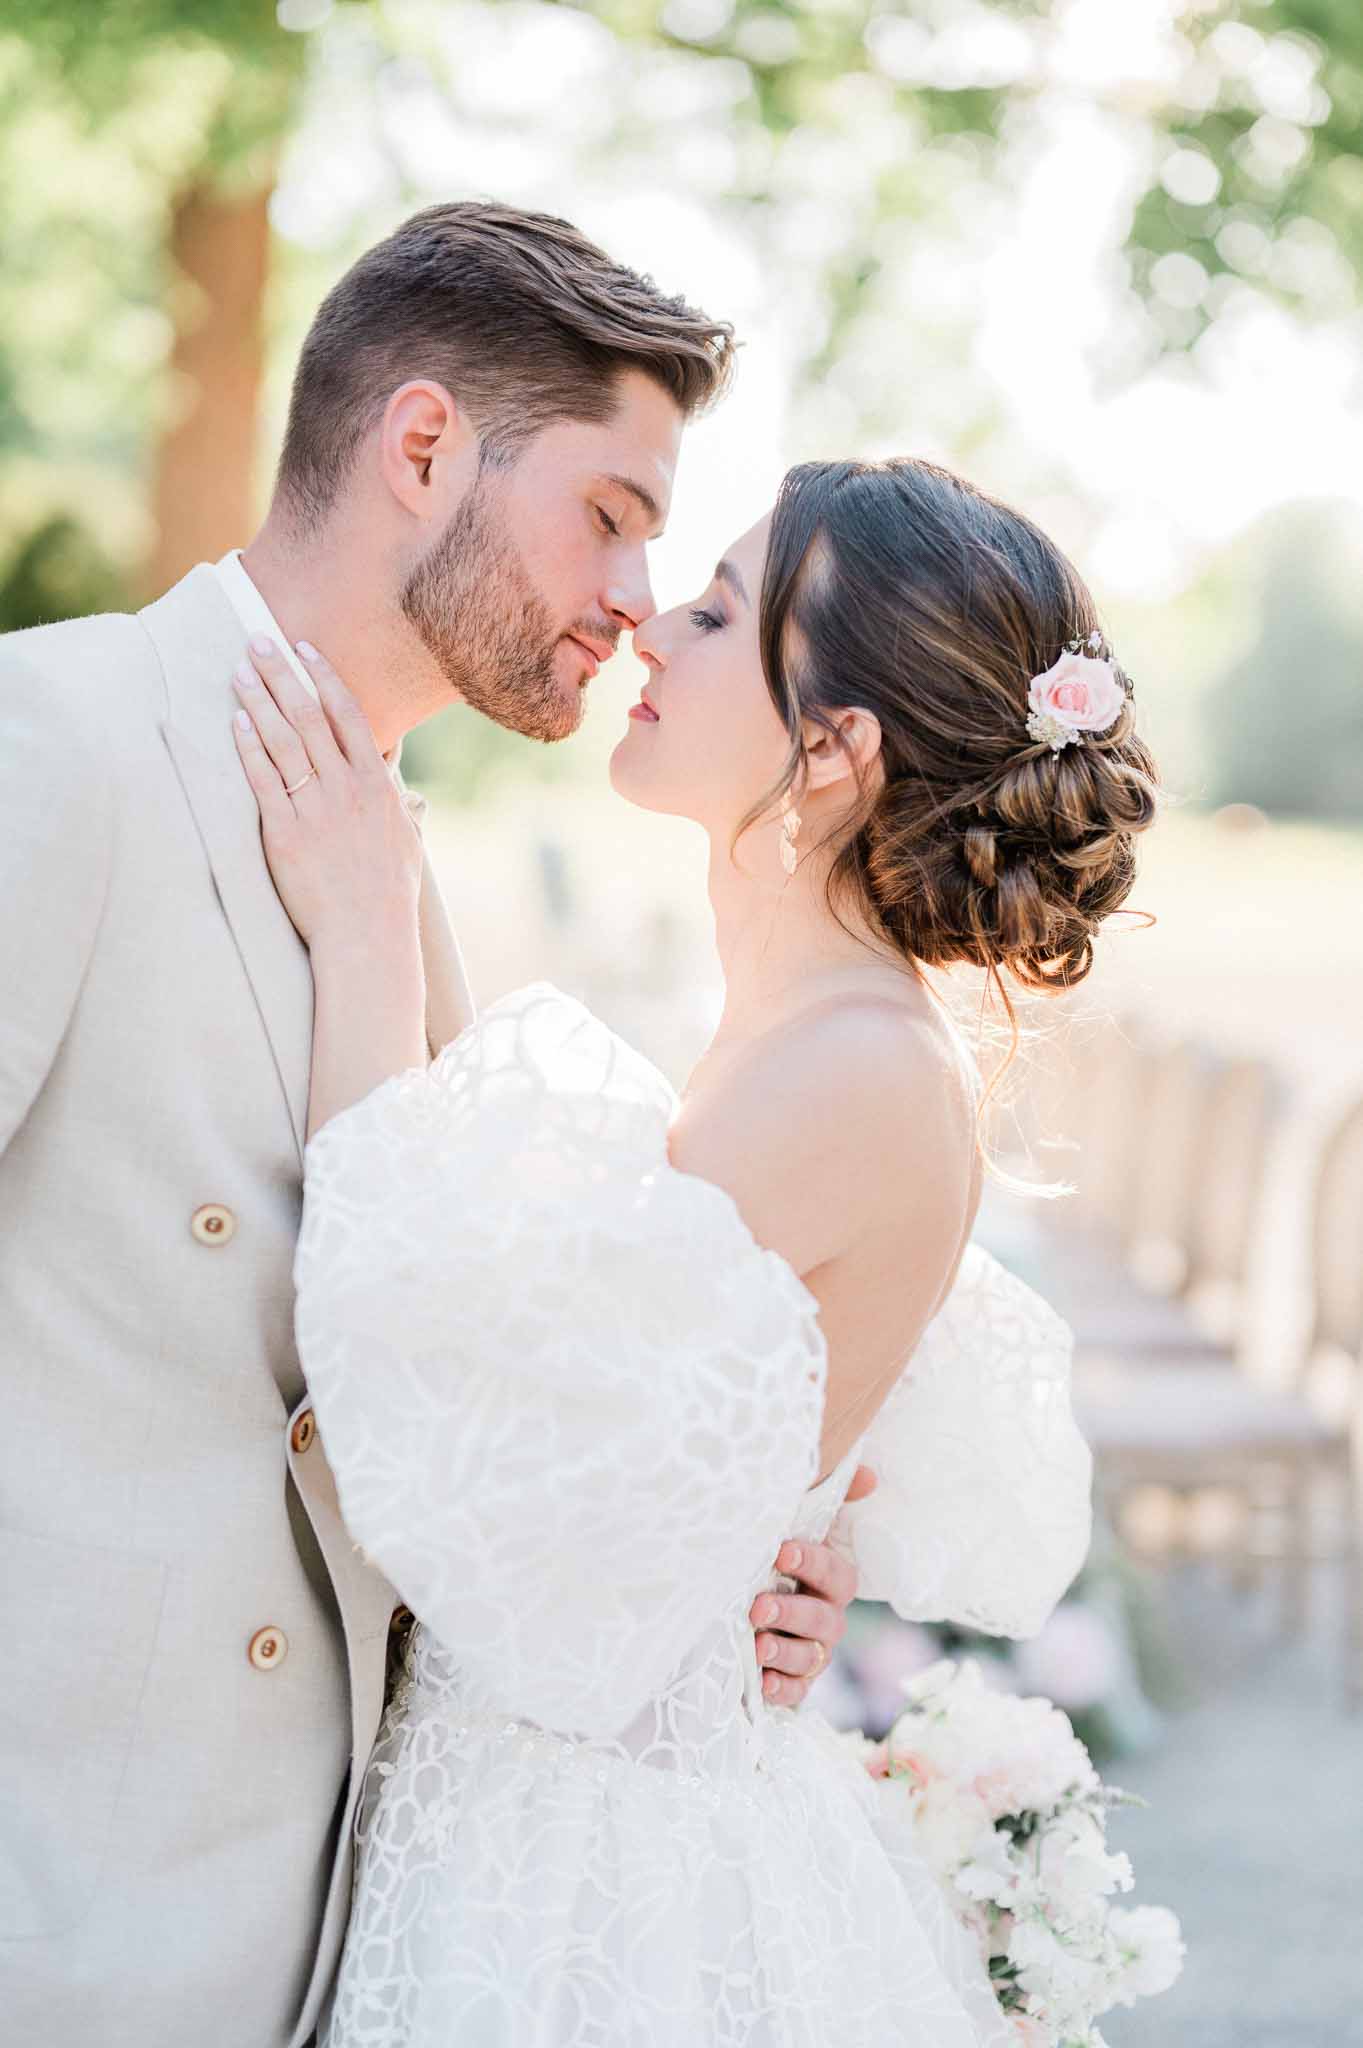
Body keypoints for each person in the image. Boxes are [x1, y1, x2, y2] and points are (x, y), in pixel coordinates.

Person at [0, 203, 860, 2048]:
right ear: (419, 448)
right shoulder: (51, 739)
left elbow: (468, 1378)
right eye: (614, 516)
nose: (636, 600)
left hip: (322, 1933)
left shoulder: (402, 882)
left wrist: (723, 1568)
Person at [229, 453, 1160, 2045]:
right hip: (567, 1797)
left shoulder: (852, 1071)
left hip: (591, 1887)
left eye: (720, 612)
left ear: (834, 749)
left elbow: (463, 1417)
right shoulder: (796, 1036)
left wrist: (367, 937)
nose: (652, 630)